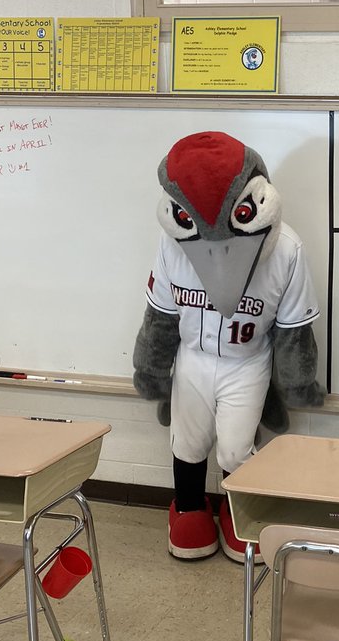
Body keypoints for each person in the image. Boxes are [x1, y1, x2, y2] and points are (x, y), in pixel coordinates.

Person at [133, 131, 323, 562]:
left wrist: (296, 382)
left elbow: (294, 329)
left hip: (247, 360)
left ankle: (238, 514)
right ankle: (188, 509)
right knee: (188, 442)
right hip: (193, 358)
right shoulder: (173, 242)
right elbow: (160, 314)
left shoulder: (287, 249)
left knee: (237, 448)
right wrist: (150, 368)